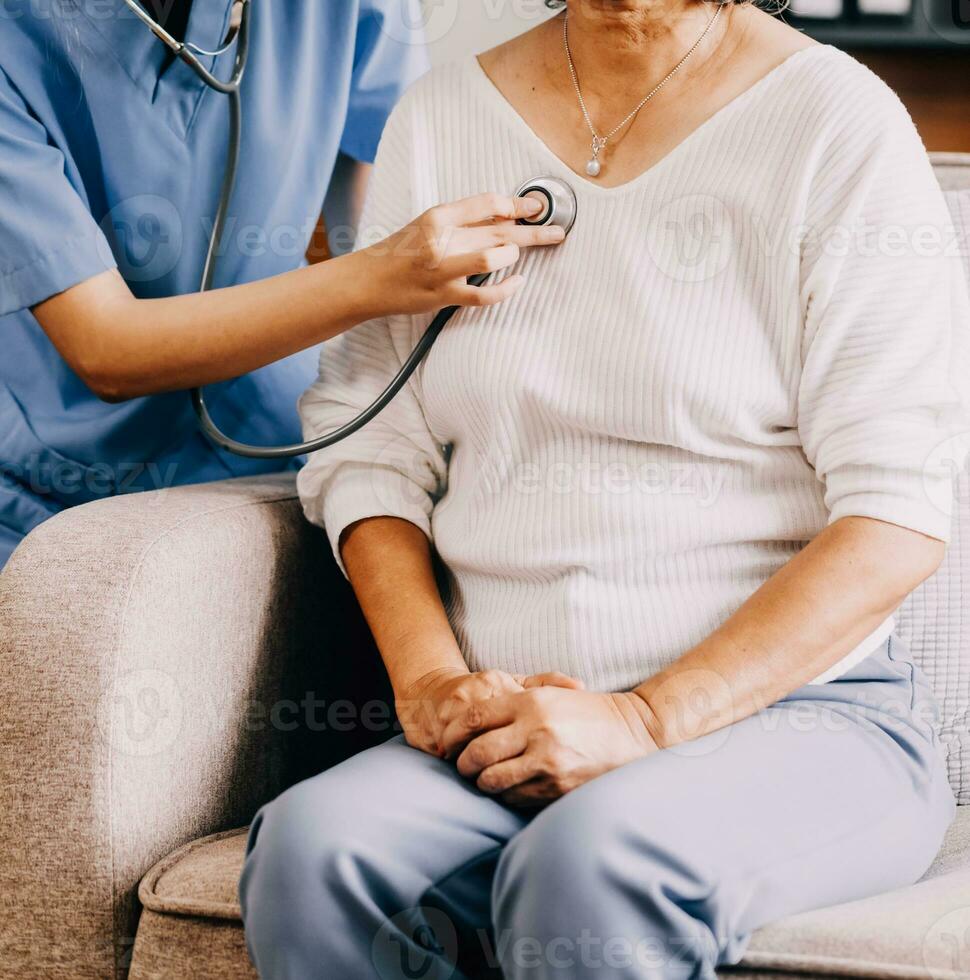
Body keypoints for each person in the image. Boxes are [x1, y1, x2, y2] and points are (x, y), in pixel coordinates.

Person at [240, 0, 970, 976]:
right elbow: (369, 451)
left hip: (802, 719)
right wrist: (429, 684)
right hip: (516, 704)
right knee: (315, 852)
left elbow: (895, 515)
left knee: (587, 860)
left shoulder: (836, 123)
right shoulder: (443, 114)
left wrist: (642, 719)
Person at [0, 0, 556, 569]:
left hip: (284, 443)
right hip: (58, 484)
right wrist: (384, 274)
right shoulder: (15, 41)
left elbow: (367, 222)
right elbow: (106, 347)